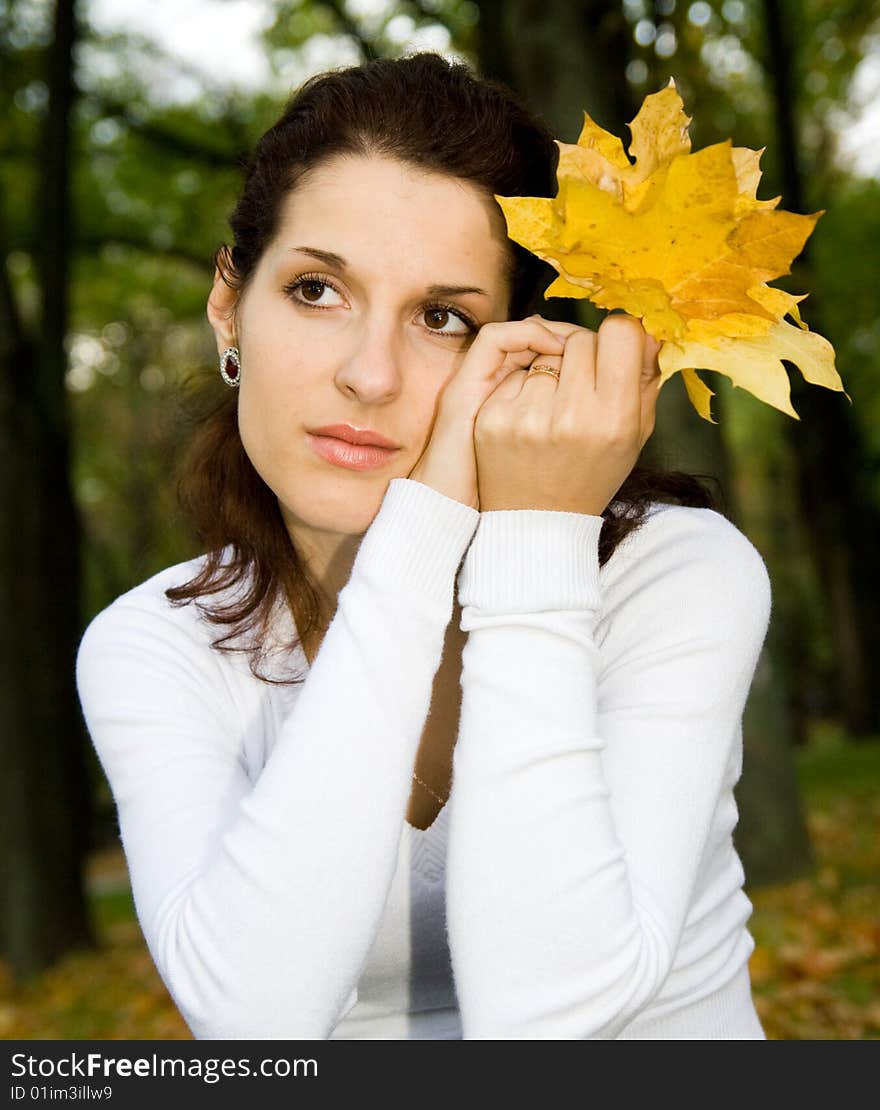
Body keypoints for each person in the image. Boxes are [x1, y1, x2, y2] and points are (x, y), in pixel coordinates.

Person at [75, 51, 771, 1040]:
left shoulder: (673, 575)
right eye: (317, 291)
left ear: (521, 352)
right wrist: (426, 529)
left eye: (442, 318)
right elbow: (255, 1023)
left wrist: (537, 537)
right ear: (229, 304)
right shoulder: (156, 645)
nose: (370, 374)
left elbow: (550, 1015)